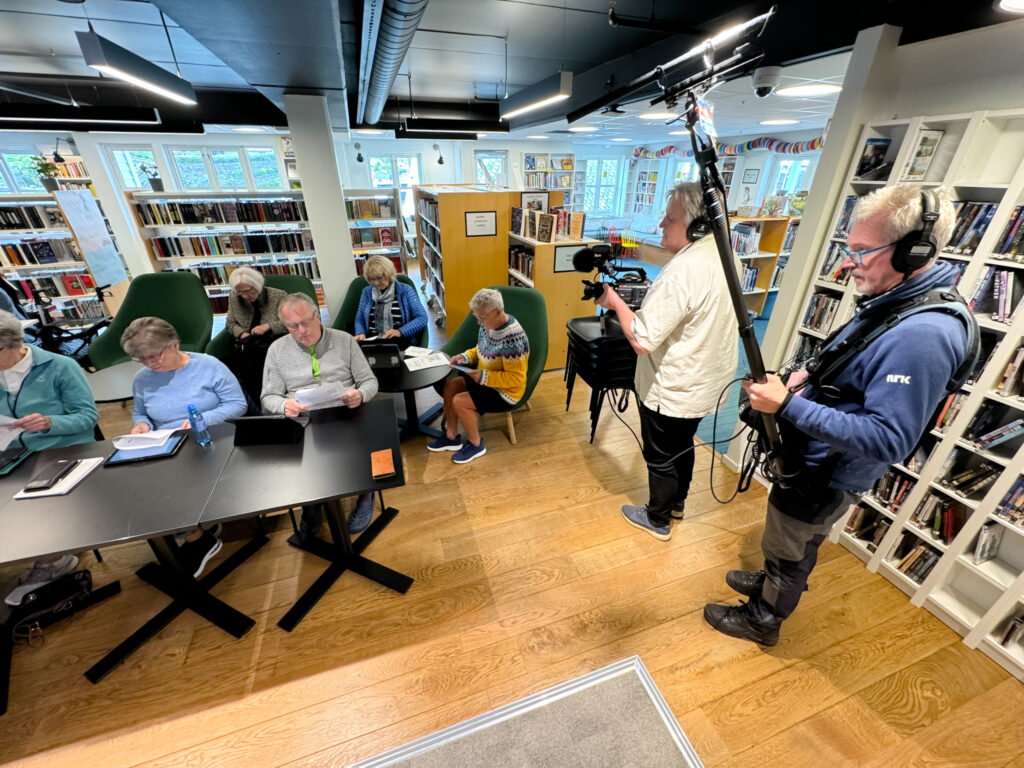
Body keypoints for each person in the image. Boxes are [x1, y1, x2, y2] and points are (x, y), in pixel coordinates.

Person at [704, 185, 976, 647]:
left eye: (861, 251)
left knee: (793, 547)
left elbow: (889, 439)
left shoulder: (923, 336)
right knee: (783, 537)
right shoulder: (895, 301)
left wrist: (788, 405)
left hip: (827, 473)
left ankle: (764, 619)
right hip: (810, 458)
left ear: (913, 252)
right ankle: (771, 581)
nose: (848, 264)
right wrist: (804, 379)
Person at [593, 182, 738, 542]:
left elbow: (642, 339)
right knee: (683, 445)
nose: (661, 224)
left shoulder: (684, 269)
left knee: (659, 454)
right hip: (705, 382)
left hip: (674, 387)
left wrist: (614, 302)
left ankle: (657, 517)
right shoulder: (726, 255)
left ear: (697, 226)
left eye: (669, 219)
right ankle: (677, 504)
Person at [122, 316, 247, 578]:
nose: (149, 363)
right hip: (168, 445)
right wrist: (142, 425)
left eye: (154, 356)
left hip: (212, 441)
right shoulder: (143, 378)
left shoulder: (208, 366)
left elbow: (237, 405)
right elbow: (140, 412)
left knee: (162, 490)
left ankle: (197, 538)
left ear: (175, 345)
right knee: (133, 487)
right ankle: (193, 531)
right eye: (141, 359)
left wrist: (201, 420)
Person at [1, 309, 99, 605]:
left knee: (29, 501)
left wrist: (49, 422)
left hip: (62, 450)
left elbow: (88, 417)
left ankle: (53, 560)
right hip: (11, 454)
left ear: (11, 344)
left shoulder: (60, 367)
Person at [262, 292, 379, 538]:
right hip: (304, 419)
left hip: (345, 412)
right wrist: (284, 405)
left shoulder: (344, 341)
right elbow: (268, 397)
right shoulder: (276, 350)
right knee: (297, 459)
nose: (301, 331)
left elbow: (370, 381)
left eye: (306, 322)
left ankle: (365, 494)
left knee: (362, 448)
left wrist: (360, 395)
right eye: (292, 326)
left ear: (317, 315)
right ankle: (311, 501)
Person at [427, 288, 529, 465]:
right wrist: (464, 357)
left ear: (497, 312)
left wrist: (484, 377)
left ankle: (476, 444)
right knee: (450, 387)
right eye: (476, 316)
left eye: (482, 317)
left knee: (460, 401)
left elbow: (516, 379)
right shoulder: (488, 325)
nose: (479, 322)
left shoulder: (513, 338)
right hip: (485, 380)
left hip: (505, 392)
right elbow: (480, 349)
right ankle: (451, 436)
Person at [224, 266, 287, 401]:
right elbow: (230, 324)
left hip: (271, 343)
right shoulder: (235, 297)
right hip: (246, 344)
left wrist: (268, 326)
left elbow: (289, 323)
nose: (245, 296)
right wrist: (242, 334)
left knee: (255, 365)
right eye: (240, 292)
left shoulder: (278, 296)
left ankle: (264, 399)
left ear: (257, 284)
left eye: (248, 291)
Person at [353, 254, 428, 350]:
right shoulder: (367, 292)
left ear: (389, 274)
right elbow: (359, 318)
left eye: (379, 278)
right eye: (372, 279)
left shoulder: (405, 291)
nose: (376, 283)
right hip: (372, 339)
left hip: (399, 340)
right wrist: (360, 333)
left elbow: (422, 318)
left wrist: (400, 331)